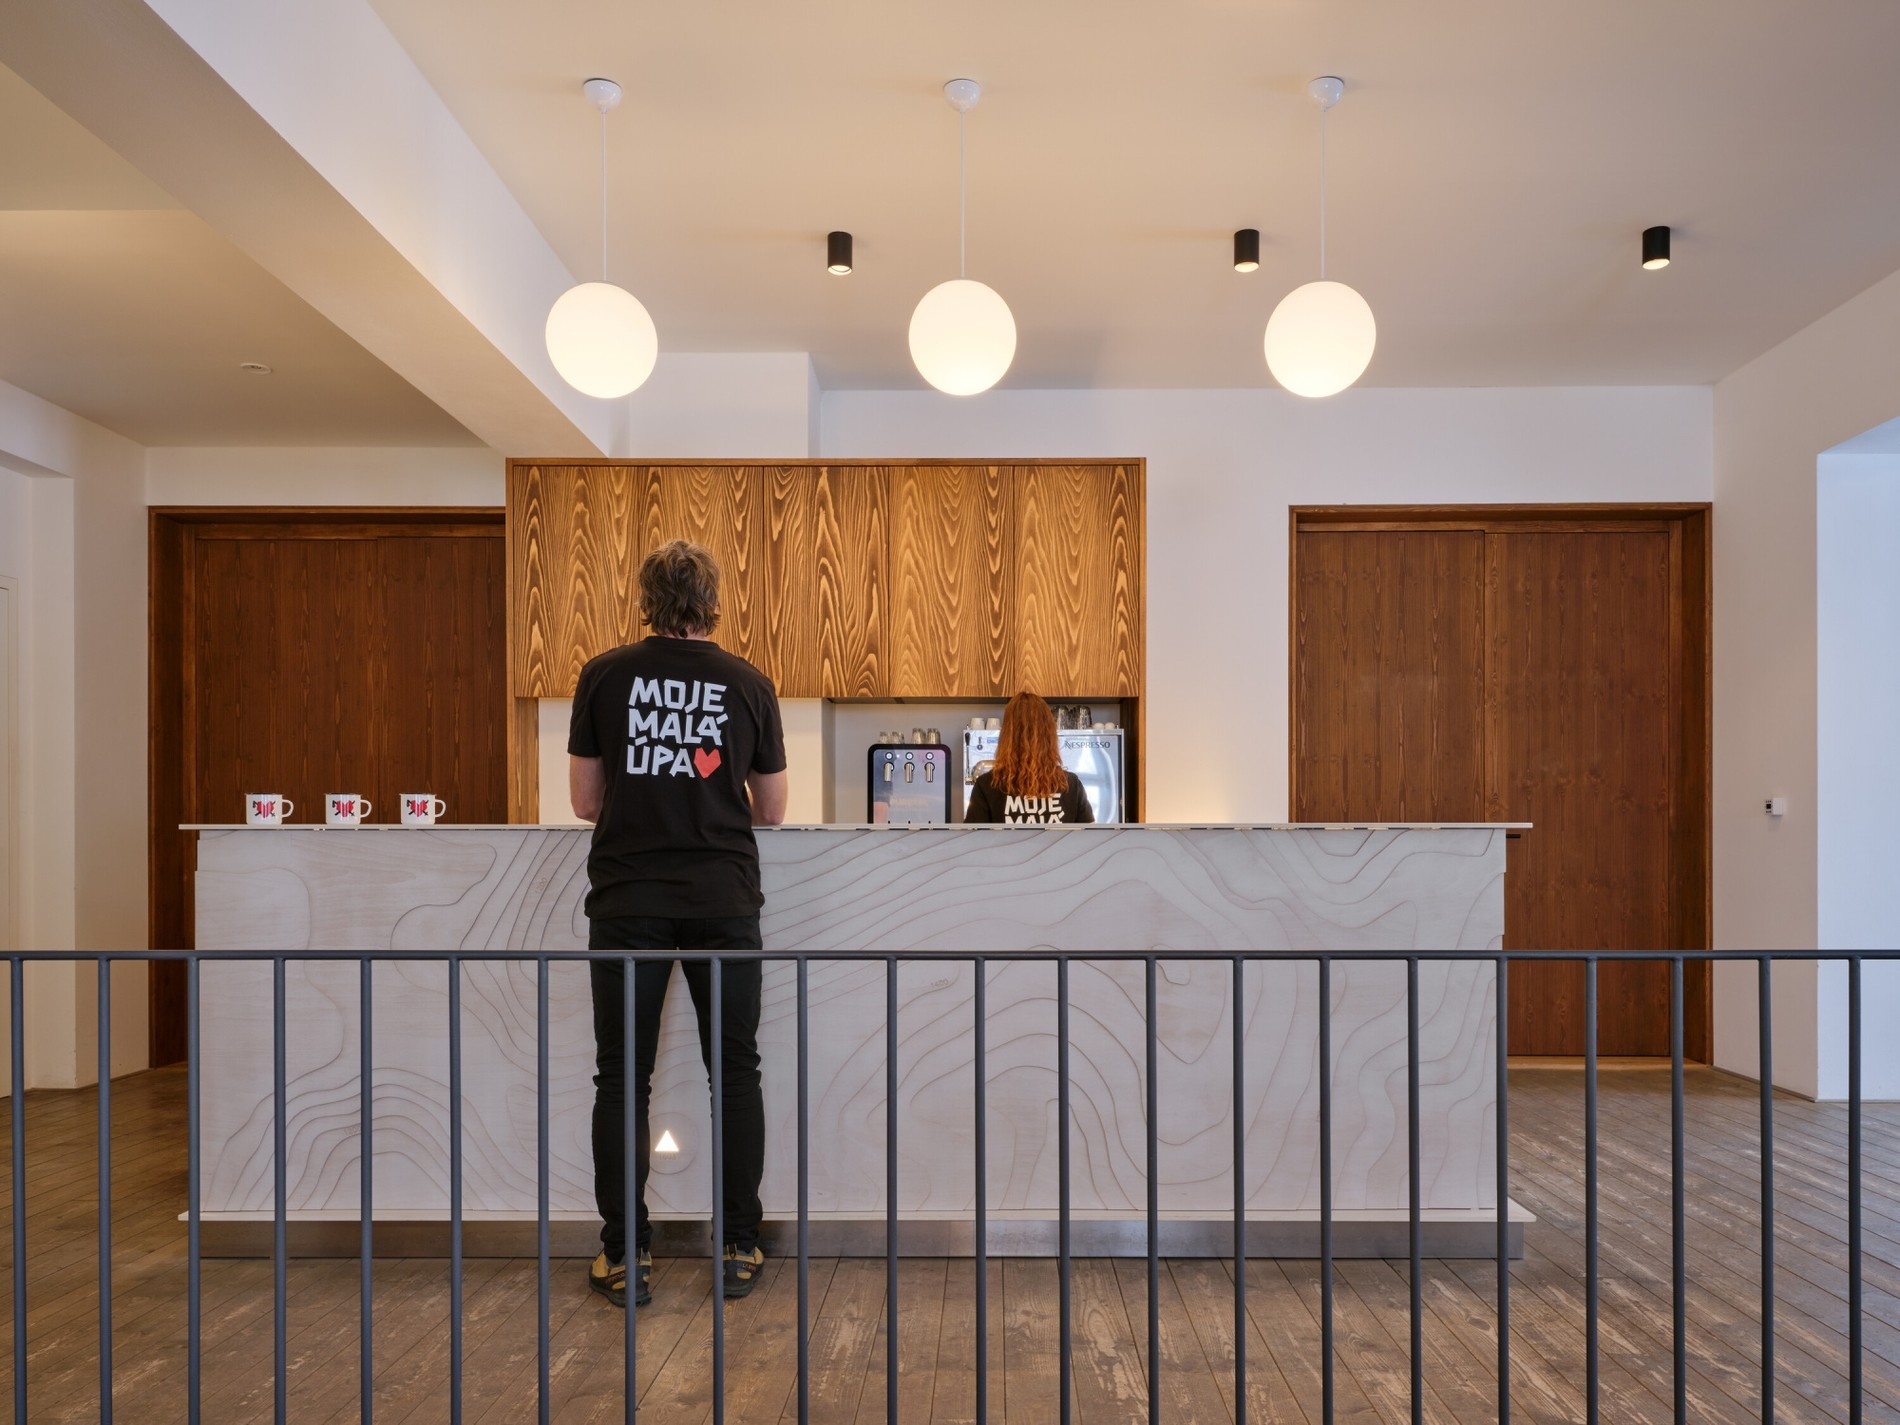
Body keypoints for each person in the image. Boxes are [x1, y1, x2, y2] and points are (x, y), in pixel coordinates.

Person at [567, 539, 788, 1309]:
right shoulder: (748, 683)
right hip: (723, 900)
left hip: (627, 901)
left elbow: (585, 801)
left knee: (622, 1076)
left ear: (646, 598)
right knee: (736, 1072)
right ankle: (740, 1245)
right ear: (713, 600)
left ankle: (625, 1255)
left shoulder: (604, 676)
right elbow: (773, 809)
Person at [963, 693, 1097, 825]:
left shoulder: (987, 784)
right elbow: (1092, 837)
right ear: (1050, 734)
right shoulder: (1070, 784)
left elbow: (973, 838)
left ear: (1006, 735)